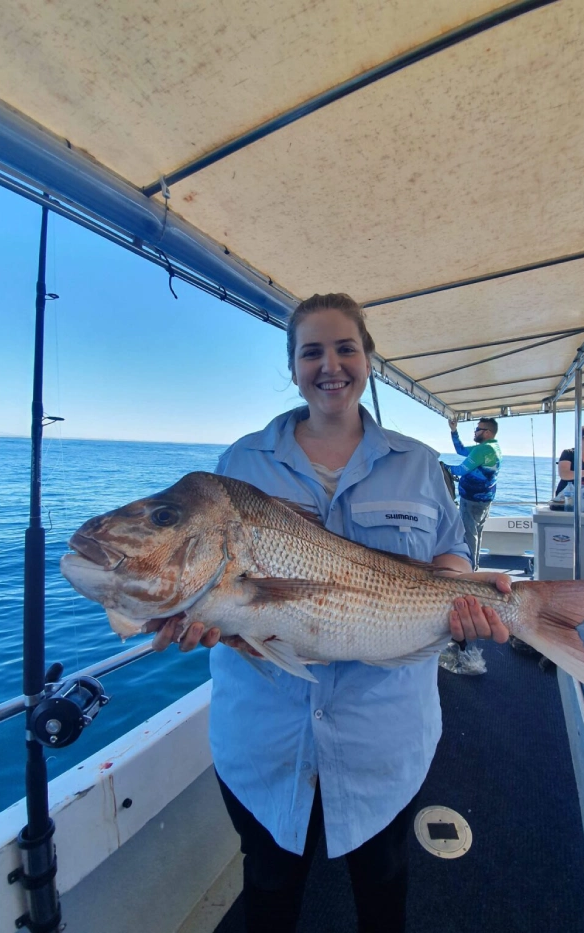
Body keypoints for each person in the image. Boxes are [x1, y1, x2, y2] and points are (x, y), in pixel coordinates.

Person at [149, 293, 510, 933]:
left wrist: (459, 593)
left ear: (368, 359)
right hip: (264, 739)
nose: (330, 364)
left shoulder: (418, 463)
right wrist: (205, 623)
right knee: (267, 886)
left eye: (346, 347)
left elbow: (451, 549)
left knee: (384, 883)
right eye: (311, 351)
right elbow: (218, 586)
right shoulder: (240, 463)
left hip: (385, 735)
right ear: (292, 368)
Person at [446, 416, 502, 570]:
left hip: (472, 501)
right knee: (476, 533)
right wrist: (454, 431)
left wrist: (441, 466)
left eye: (478, 429)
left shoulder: (483, 449)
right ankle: (474, 564)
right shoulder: (493, 447)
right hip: (485, 500)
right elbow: (461, 450)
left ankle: (470, 569)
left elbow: (460, 470)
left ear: (488, 432)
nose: (475, 432)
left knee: (469, 535)